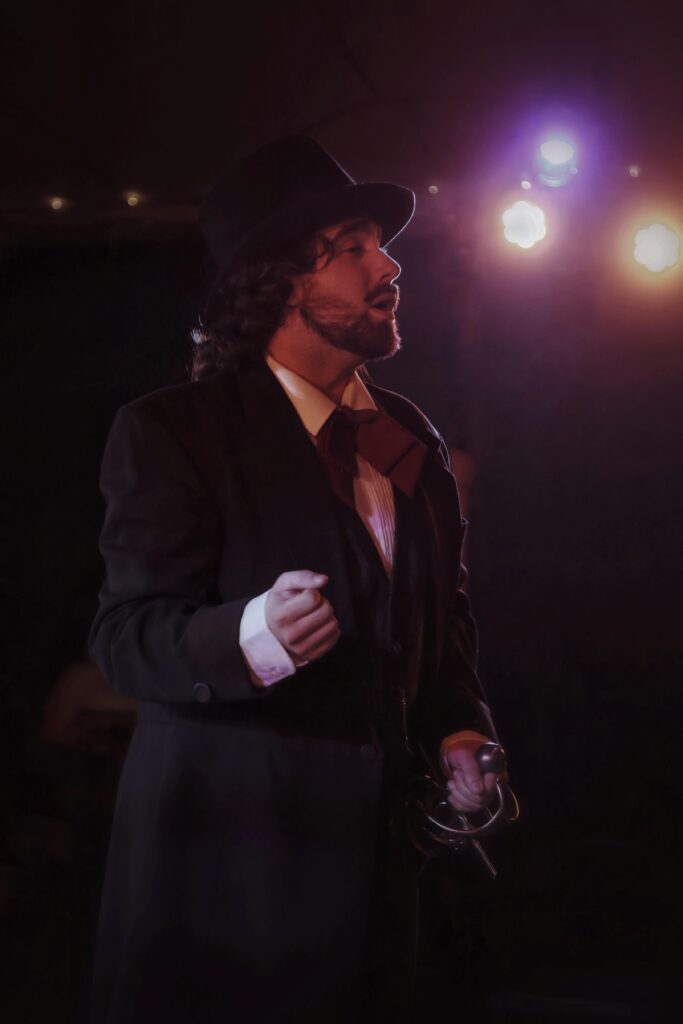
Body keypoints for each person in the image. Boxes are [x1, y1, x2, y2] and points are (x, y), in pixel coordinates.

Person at [88, 136, 501, 1024]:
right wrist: (251, 635)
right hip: (228, 883)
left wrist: (458, 724)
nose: (387, 265)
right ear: (279, 283)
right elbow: (125, 639)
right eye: (350, 248)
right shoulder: (173, 431)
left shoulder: (406, 436)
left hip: (375, 882)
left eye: (377, 245)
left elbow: (441, 613)